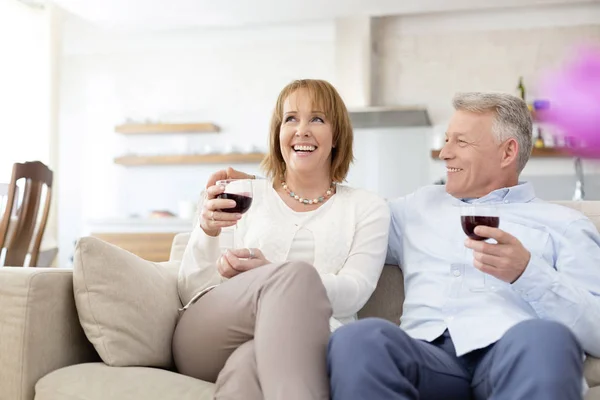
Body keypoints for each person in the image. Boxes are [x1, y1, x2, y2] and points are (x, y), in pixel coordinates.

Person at [327, 92, 600, 400]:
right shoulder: (415, 207)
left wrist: (528, 272)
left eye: (461, 142)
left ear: (508, 152)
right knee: (358, 339)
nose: (444, 153)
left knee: (545, 338)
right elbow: (338, 224)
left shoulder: (564, 224)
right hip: (425, 357)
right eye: (446, 140)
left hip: (514, 356)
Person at [172, 79, 390, 400]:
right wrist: (207, 231)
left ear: (337, 136)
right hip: (210, 334)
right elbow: (192, 290)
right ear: (278, 134)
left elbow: (354, 294)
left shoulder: (367, 207)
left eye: (317, 119)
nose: (301, 129)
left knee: (247, 364)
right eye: (290, 119)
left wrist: (275, 275)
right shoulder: (243, 193)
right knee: (296, 275)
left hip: (300, 342)